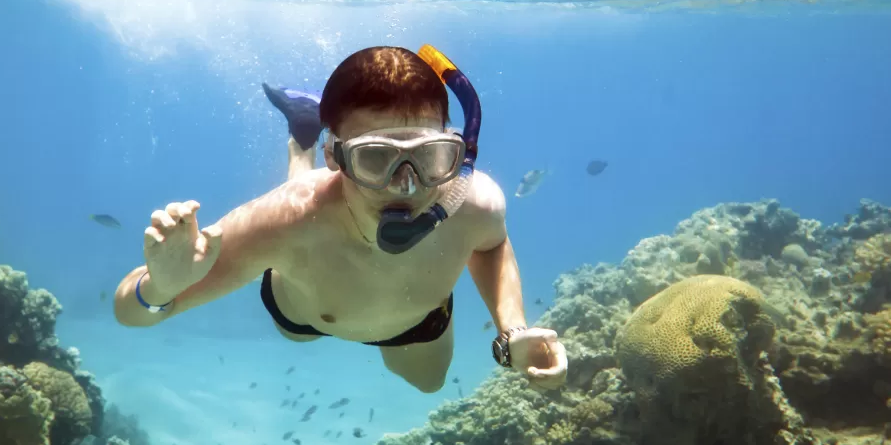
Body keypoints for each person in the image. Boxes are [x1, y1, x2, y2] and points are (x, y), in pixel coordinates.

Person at [113, 45, 568, 393]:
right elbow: (129, 313)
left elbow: (491, 245)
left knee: (428, 384)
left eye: (429, 157)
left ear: (455, 151)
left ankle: (305, 124)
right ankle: (303, 140)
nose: (406, 186)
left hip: (416, 322)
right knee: (300, 325)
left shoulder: (475, 203)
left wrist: (513, 328)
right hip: (305, 314)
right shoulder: (285, 221)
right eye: (375, 159)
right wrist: (162, 287)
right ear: (337, 157)